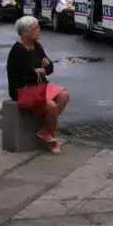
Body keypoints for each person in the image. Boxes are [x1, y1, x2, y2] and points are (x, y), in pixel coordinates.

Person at [6, 15, 69, 153]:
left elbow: (49, 67)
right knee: (51, 105)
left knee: (64, 95)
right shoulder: (17, 51)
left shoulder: (37, 46)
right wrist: (38, 71)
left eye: (38, 27)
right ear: (24, 32)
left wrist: (41, 70)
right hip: (23, 89)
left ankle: (45, 130)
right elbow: (25, 75)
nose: (38, 30)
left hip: (40, 85)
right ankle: (51, 139)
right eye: (34, 28)